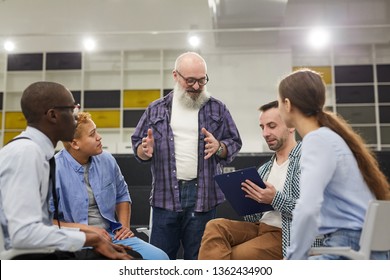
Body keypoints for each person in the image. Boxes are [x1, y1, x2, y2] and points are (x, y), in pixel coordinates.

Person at [0, 81, 132, 260]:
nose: (76, 117)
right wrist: (92, 239)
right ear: (53, 115)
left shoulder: (36, 152)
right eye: (72, 110)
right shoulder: (27, 154)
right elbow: (23, 234)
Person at [131, 51, 242, 259]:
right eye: (190, 80)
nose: (197, 87)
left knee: (199, 260)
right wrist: (144, 151)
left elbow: (234, 143)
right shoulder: (156, 109)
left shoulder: (217, 109)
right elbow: (138, 146)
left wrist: (219, 147)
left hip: (203, 197)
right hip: (165, 197)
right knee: (159, 260)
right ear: (176, 76)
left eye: (202, 80)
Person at [278, 69, 390, 260]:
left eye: (279, 102)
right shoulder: (331, 137)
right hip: (361, 245)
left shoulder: (317, 140)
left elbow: (308, 208)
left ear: (287, 104)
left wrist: (292, 260)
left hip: (348, 245)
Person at [199, 100, 321, 260]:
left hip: (287, 234)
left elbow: (315, 214)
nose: (265, 133)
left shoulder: (307, 160)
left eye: (272, 126)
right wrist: (247, 201)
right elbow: (254, 218)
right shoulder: (264, 169)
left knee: (232, 256)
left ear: (291, 126)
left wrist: (274, 198)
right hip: (259, 229)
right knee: (215, 226)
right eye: (262, 127)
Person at [53, 111, 169, 260]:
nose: (99, 137)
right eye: (92, 134)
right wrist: (90, 231)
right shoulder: (53, 169)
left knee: (161, 258)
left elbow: (122, 195)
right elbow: (48, 222)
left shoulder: (106, 160)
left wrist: (124, 227)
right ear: (75, 143)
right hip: (77, 241)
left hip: (112, 236)